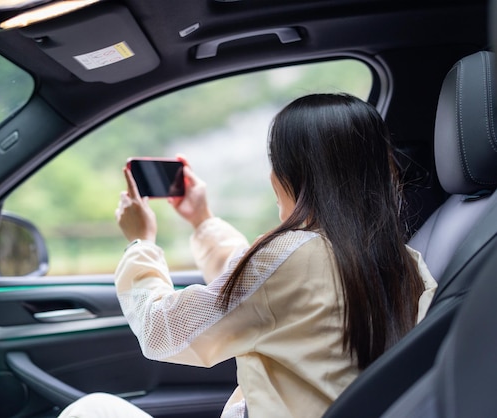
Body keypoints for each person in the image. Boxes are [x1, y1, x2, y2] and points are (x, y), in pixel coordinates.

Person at [58, 93, 437, 418]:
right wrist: (202, 221)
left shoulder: (295, 254)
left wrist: (141, 244)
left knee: (91, 410)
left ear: (291, 175)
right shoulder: (411, 266)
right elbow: (261, 290)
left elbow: (162, 331)